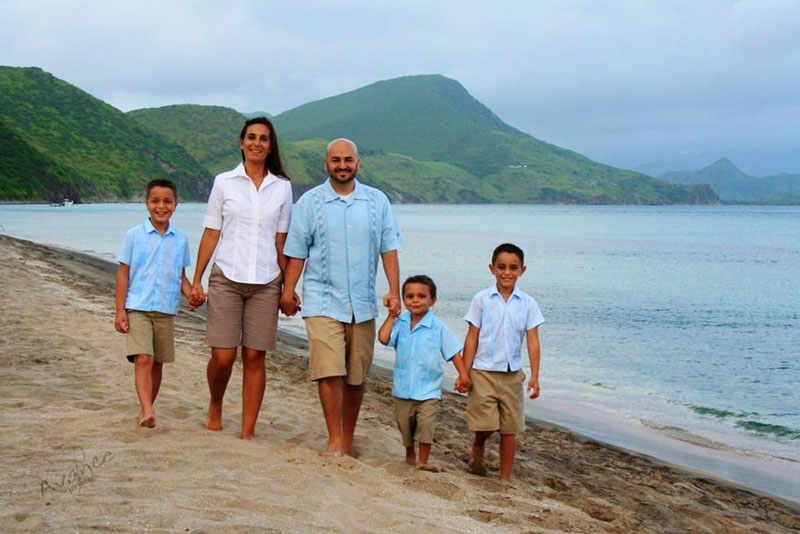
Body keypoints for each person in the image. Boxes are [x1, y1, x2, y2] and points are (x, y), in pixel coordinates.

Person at [280, 138, 403, 457]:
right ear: (326, 164)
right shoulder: (309, 203)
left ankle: (347, 438)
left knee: (355, 376)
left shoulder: (377, 202)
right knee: (328, 370)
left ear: (358, 163)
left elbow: (388, 247)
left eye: (348, 160)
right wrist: (288, 291)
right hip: (321, 299)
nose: (342, 165)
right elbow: (296, 251)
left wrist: (393, 290)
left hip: (361, 303)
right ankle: (334, 439)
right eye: (336, 160)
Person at [189, 117, 293, 441]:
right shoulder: (224, 182)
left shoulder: (283, 187)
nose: (257, 143)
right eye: (251, 137)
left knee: (254, 356)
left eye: (264, 138)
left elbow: (283, 242)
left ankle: (248, 431)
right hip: (227, 276)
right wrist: (197, 280)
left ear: (270, 145)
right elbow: (211, 231)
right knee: (223, 356)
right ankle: (216, 403)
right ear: (241, 142)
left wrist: (289, 289)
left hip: (266, 280)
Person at [114, 178, 202, 428]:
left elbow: (181, 277)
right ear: (146, 204)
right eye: (155, 201)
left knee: (158, 361)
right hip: (138, 306)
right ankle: (146, 410)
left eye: (167, 201)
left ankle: (146, 408)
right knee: (144, 358)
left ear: (175, 204)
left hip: (166, 309)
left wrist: (192, 295)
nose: (161, 206)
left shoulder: (181, 239)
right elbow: (123, 273)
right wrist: (120, 310)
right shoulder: (134, 236)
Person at [458, 243, 544, 480]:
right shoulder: (481, 299)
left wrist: (535, 376)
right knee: (485, 425)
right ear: (492, 268)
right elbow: (472, 337)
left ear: (522, 270)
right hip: (482, 371)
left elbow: (533, 341)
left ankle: (505, 478)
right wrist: (464, 372)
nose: (507, 272)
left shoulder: (528, 303)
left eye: (513, 268)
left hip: (512, 374)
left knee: (509, 429)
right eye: (502, 267)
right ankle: (478, 445)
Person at [378, 275, 470, 470]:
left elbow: (453, 351)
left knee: (426, 426)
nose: (416, 300)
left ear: (432, 300)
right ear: (403, 299)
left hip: (429, 389)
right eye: (410, 296)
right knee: (405, 427)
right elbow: (383, 338)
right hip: (403, 388)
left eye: (422, 296)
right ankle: (409, 452)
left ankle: (424, 461)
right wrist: (391, 316)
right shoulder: (400, 322)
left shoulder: (437, 327)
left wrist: (463, 374)